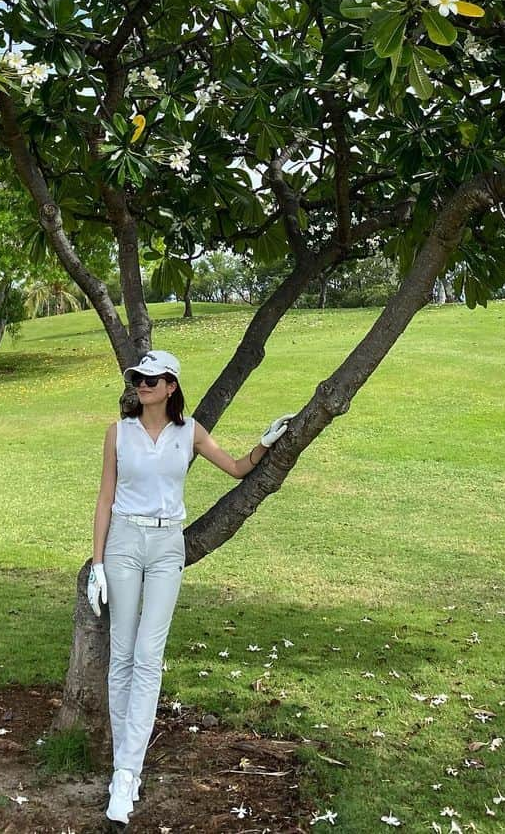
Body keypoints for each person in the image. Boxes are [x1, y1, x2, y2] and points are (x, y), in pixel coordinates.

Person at [87, 347, 294, 826]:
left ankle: (127, 771)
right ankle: (125, 772)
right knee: (121, 655)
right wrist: (98, 563)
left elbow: (238, 467)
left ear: (171, 386)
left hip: (165, 546)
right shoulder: (118, 433)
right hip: (122, 541)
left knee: (147, 654)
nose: (143, 385)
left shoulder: (189, 432)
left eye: (152, 379)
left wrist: (266, 442)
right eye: (138, 378)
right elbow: (104, 497)